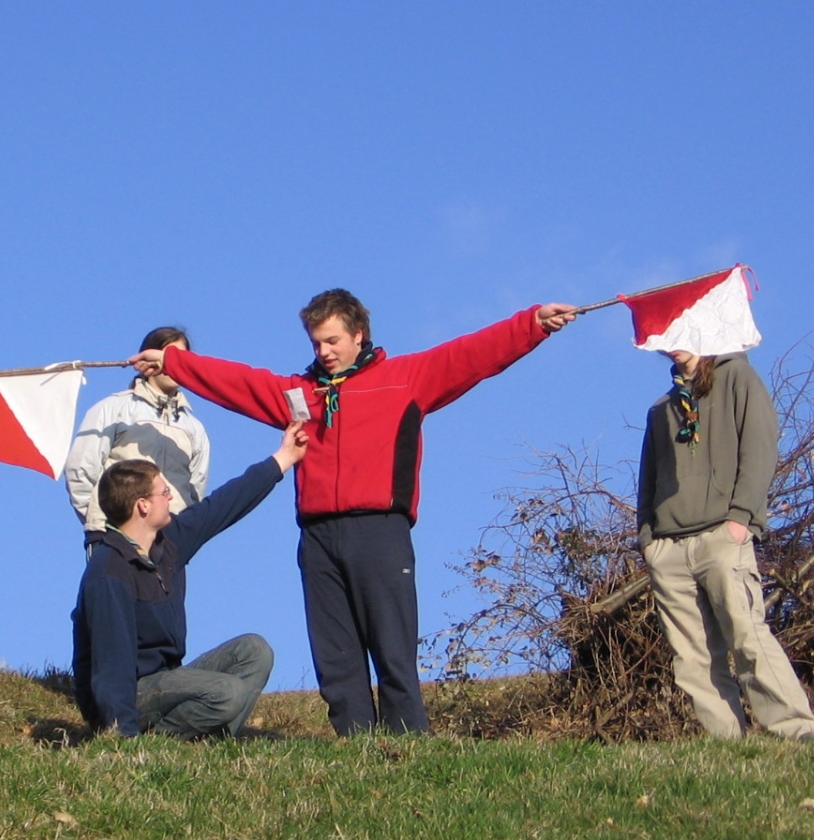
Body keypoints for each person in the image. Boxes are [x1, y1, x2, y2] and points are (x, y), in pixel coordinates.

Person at [133, 289, 577, 735]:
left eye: (332, 341)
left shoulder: (408, 378)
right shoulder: (300, 393)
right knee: (335, 653)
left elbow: (474, 353)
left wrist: (533, 323)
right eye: (316, 344)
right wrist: (174, 363)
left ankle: (408, 742)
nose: (323, 352)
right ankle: (356, 744)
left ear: (358, 335)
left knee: (391, 646)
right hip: (318, 538)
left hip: (380, 531)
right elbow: (238, 383)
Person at [72, 421, 308, 738]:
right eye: (163, 492)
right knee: (227, 692)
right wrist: (120, 738)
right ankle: (157, 744)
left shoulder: (168, 542)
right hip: (128, 696)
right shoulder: (109, 571)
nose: (170, 497)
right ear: (142, 505)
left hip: (167, 678)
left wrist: (284, 457)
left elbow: (225, 503)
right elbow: (111, 669)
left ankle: (211, 739)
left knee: (255, 651)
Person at [637, 350, 814, 740]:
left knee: (747, 636)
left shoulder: (739, 377)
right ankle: (727, 744)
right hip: (669, 548)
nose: (675, 341)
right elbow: (647, 480)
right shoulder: (660, 410)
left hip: (723, 538)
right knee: (692, 659)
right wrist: (649, 542)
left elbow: (760, 448)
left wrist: (740, 519)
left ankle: (798, 731)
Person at [64, 326, 210, 543]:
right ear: (147, 360)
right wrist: (104, 524)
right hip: (114, 538)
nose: (175, 364)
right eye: (169, 355)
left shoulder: (194, 428)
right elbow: (81, 470)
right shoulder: (113, 409)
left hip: (169, 545)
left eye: (182, 358)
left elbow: (195, 491)